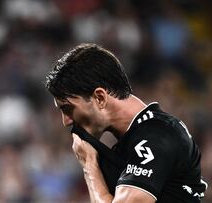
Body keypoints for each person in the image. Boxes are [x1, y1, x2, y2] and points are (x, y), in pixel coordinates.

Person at [44, 43, 208, 202]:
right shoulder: (134, 140)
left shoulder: (157, 136)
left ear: (100, 98)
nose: (66, 121)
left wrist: (89, 165)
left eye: (68, 109)